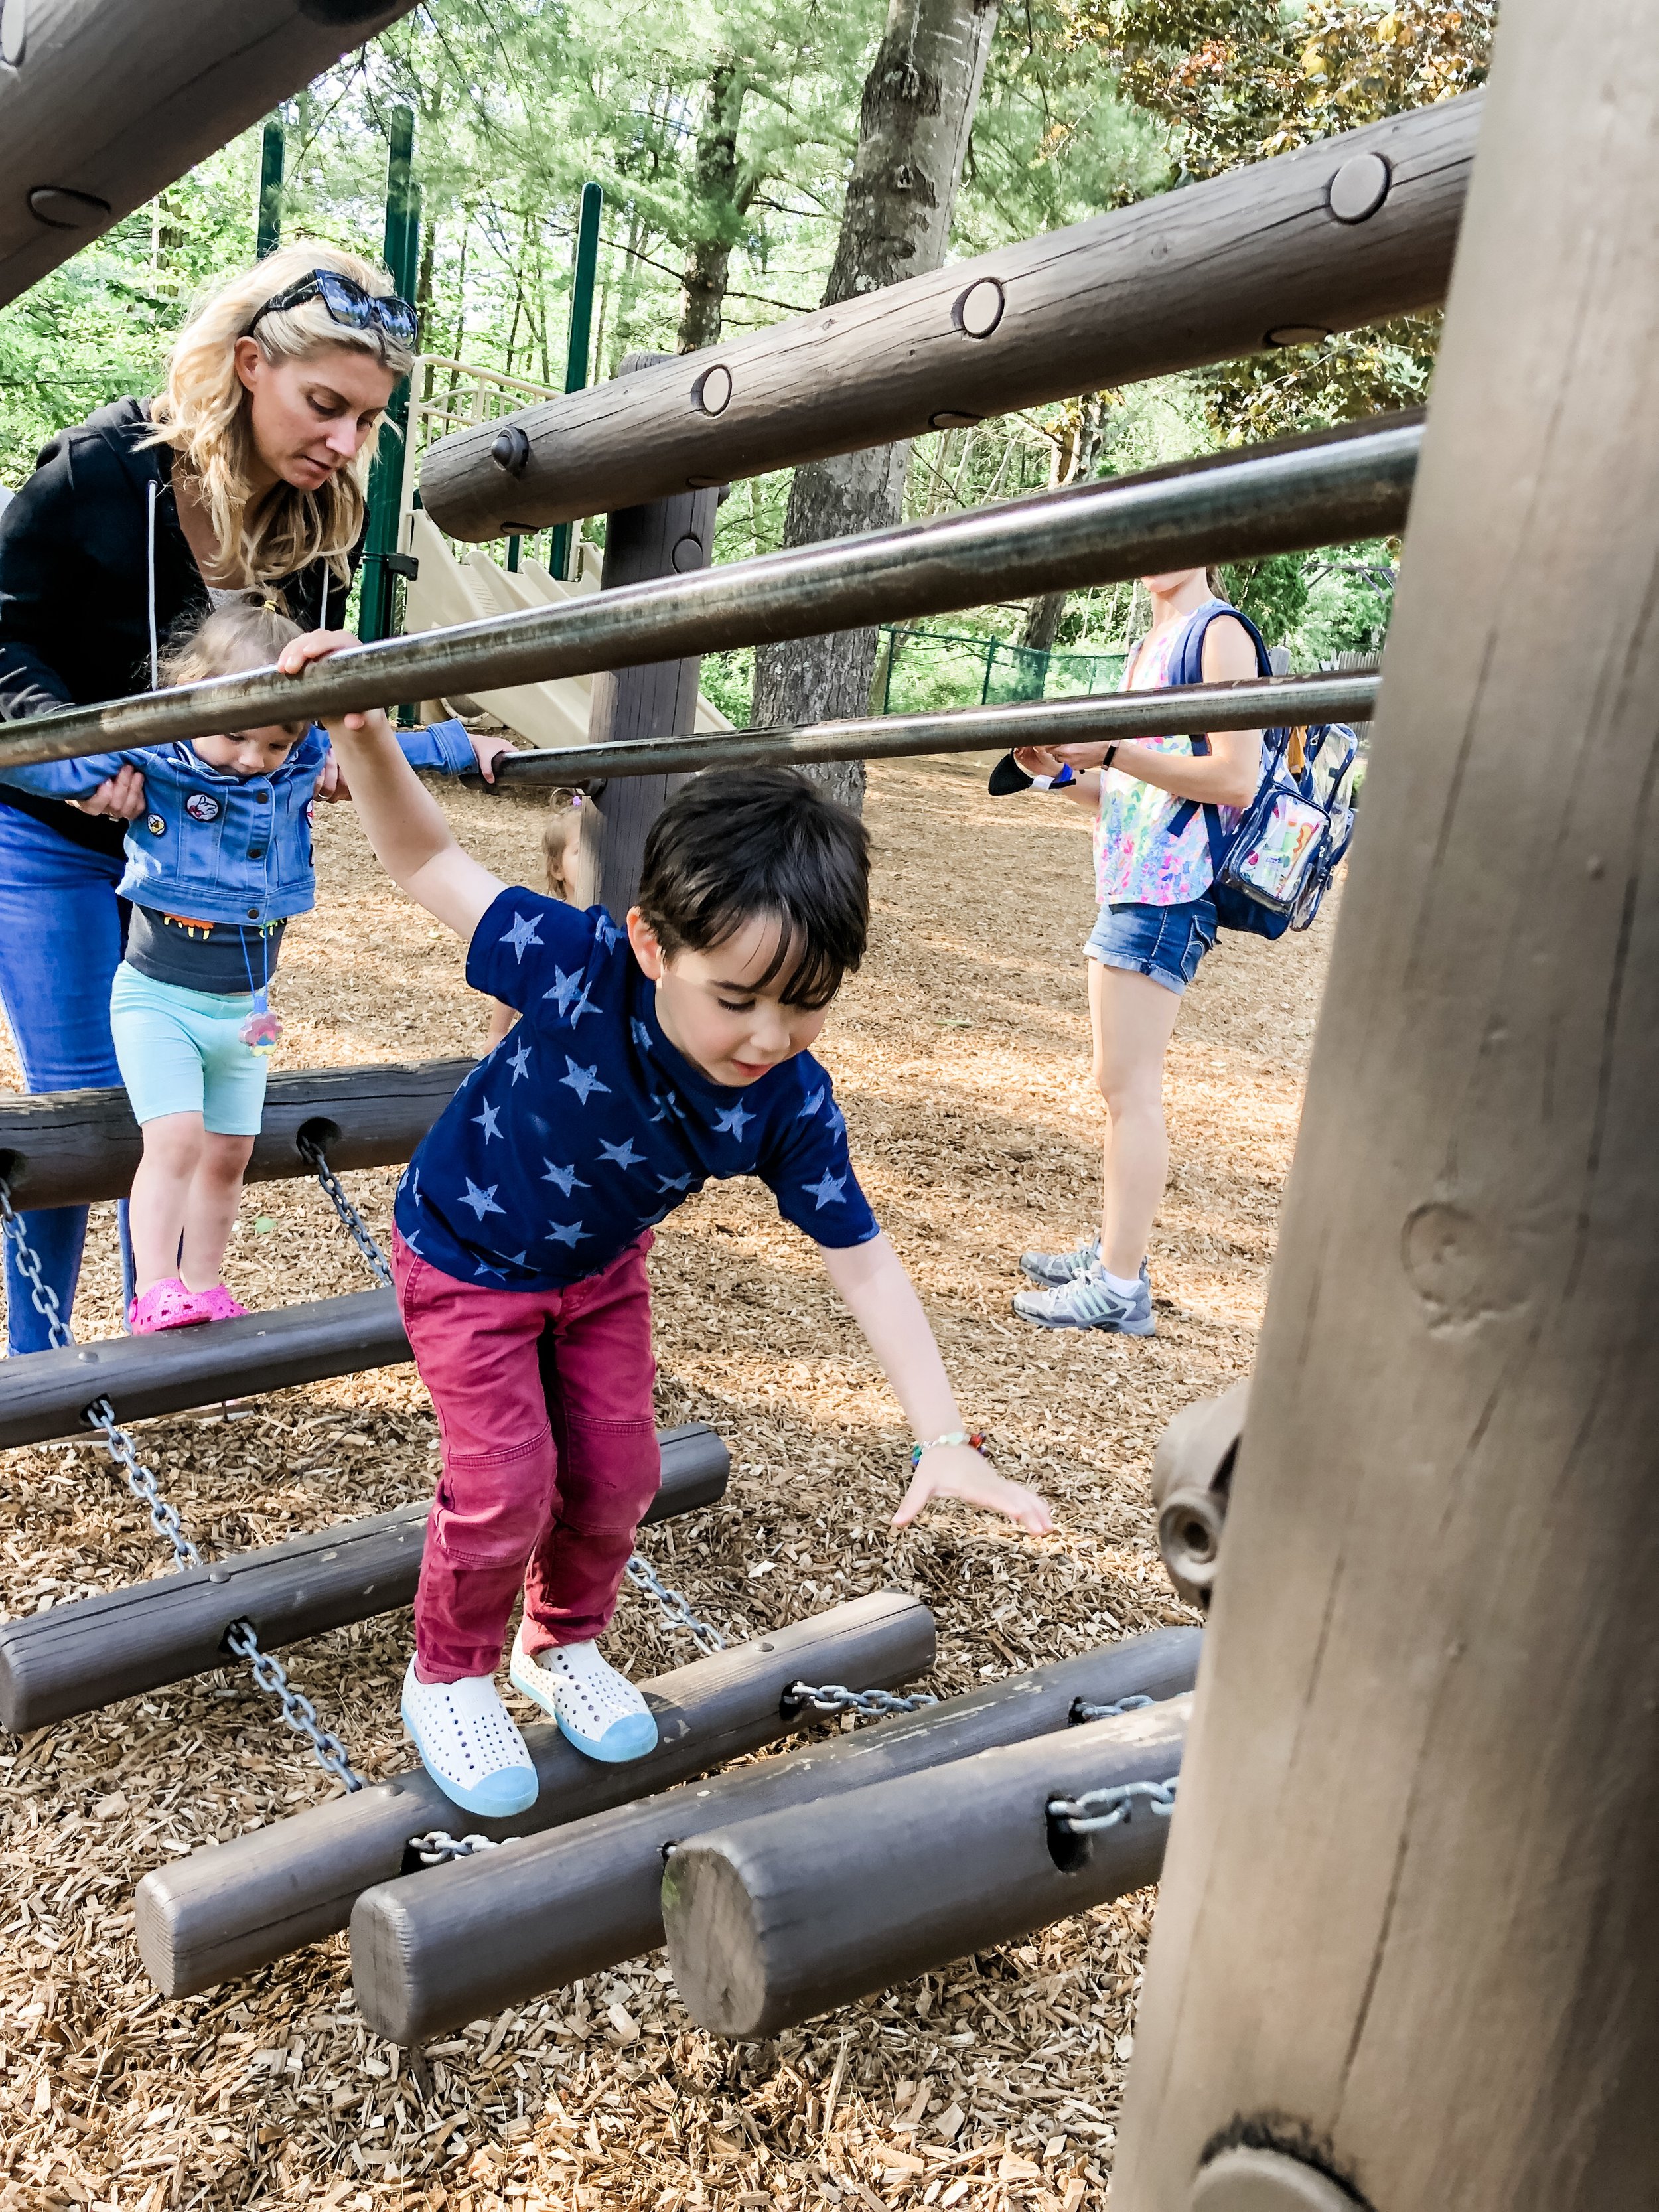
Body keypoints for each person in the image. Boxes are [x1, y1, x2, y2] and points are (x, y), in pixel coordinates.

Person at [285, 627, 1053, 1816]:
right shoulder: (583, 963)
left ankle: (560, 1643)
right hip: (466, 1255)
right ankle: (449, 1670)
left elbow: (865, 1262)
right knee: (507, 1477)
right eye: (736, 999)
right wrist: (365, 732)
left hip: (596, 1270)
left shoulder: (789, 1097)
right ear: (653, 941)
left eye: (806, 1006)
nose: (765, 1037)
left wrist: (941, 1435)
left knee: (620, 1469)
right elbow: (428, 860)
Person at [0, 240, 510, 1353]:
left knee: (179, 1106)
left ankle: (158, 1339)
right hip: (51, 829)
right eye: (327, 405)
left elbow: (303, 680)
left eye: (369, 420)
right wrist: (81, 761)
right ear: (247, 365)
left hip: (209, 857)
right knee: (83, 1102)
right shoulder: (97, 471)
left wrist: (325, 740)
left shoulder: (325, 517)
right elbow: (2, 637)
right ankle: (36, 1358)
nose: (346, 442)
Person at [0, 601, 485, 1331]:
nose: (256, 758)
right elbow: (46, 755)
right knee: (175, 1140)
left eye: (279, 741)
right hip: (158, 999)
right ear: (190, 697)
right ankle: (154, 1287)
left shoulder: (298, 764)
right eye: (235, 736)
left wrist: (462, 746)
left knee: (230, 1154)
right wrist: (82, 785)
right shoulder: (156, 753)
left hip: (243, 1009)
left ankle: (202, 1283)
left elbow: (389, 749)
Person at [1009, 565, 1263, 1337]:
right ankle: (1118, 1254)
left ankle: (1120, 1286)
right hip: (1132, 883)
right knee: (1117, 1085)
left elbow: (1234, 777)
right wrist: (1055, 776)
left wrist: (1113, 750)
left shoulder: (1217, 633)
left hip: (1169, 890)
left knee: (1130, 1089)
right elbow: (1130, 792)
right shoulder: (1151, 641)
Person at [484, 786, 583, 1049]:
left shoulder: (625, 914)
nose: (593, 859)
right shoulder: (548, 921)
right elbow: (517, 970)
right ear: (557, 868)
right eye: (581, 851)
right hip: (549, 1036)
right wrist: (497, 1032)